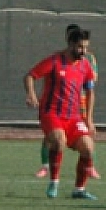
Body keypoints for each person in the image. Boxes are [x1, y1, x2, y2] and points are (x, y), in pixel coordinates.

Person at [25, 27, 99, 200]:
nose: (84, 51)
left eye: (86, 47)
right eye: (80, 47)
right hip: (51, 114)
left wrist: (89, 120)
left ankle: (79, 190)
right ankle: (54, 182)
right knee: (59, 141)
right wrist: (31, 93)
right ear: (71, 44)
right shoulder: (54, 61)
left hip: (74, 117)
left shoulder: (85, 65)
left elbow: (90, 92)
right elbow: (30, 76)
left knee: (88, 148)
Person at [37, 24, 103, 182]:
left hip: (77, 102)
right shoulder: (58, 59)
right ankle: (46, 166)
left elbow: (91, 81)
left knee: (86, 137)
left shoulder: (88, 59)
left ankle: (90, 166)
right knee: (52, 137)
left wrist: (89, 116)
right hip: (59, 104)